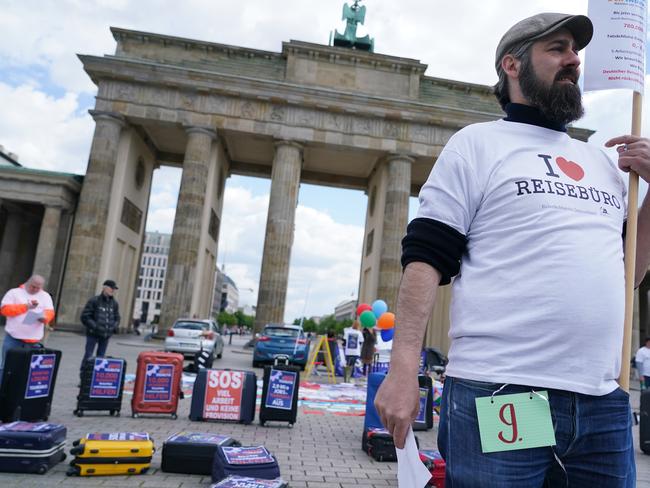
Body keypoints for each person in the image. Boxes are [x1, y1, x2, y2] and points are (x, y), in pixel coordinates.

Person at [374, 12, 650, 487]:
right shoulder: (477, 145)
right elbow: (425, 260)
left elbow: (632, 274)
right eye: (558, 48)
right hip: (506, 392)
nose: (573, 60)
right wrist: (403, 371)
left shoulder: (605, 163)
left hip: (601, 401)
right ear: (513, 65)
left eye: (576, 51)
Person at [0, 275, 55, 381]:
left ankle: (18, 395)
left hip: (33, 342)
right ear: (28, 282)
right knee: (6, 367)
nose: (35, 289)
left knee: (28, 370)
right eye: (33, 286)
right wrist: (25, 307)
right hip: (14, 339)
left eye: (38, 288)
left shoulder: (45, 296)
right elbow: (4, 310)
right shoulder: (14, 293)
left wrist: (45, 318)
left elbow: (50, 312)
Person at [80, 279, 121, 372]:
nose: (113, 290)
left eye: (114, 289)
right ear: (104, 288)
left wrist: (114, 327)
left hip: (105, 335)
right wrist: (95, 327)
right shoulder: (94, 300)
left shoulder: (114, 303)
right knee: (88, 356)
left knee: (101, 358)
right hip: (93, 334)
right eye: (111, 288)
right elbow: (85, 316)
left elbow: (117, 317)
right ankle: (83, 377)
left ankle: (95, 378)